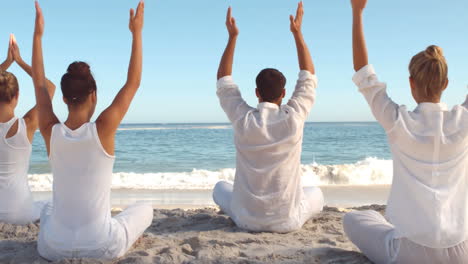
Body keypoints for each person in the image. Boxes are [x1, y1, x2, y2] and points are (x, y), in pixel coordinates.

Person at [343, 0, 468, 263]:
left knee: (353, 218)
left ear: (410, 83)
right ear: (446, 84)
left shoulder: (398, 121)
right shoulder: (463, 121)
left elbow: (363, 73)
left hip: (410, 253)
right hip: (461, 251)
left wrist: (357, 13)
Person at [31, 1, 153, 260]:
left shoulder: (49, 130)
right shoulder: (103, 128)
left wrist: (38, 36)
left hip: (52, 249)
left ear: (63, 98)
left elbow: (39, 84)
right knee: (145, 208)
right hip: (101, 247)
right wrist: (137, 33)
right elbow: (133, 83)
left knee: (48, 208)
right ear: (94, 95)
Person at [213, 2, 324, 233]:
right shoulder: (293, 118)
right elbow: (308, 77)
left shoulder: (243, 119)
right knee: (317, 194)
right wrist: (297, 34)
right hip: (288, 221)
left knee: (219, 188)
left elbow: (224, 81)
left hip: (245, 220)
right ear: (284, 94)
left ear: (256, 93)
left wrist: (232, 37)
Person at [0, 34, 55, 225]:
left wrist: (6, 63)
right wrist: (20, 61)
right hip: (21, 214)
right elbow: (49, 87)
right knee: (52, 203)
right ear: (17, 95)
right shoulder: (28, 124)